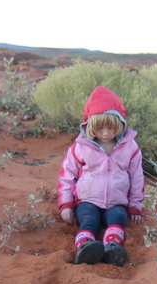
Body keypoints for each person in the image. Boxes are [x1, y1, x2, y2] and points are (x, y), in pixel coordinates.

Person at [57, 86, 145, 267]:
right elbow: (67, 176)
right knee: (89, 220)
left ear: (120, 124)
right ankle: (85, 247)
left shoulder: (130, 147)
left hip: (117, 201)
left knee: (118, 218)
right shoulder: (80, 147)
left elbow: (137, 177)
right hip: (87, 200)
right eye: (100, 128)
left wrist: (136, 205)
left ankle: (112, 248)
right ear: (89, 126)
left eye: (111, 128)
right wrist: (66, 204)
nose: (105, 133)